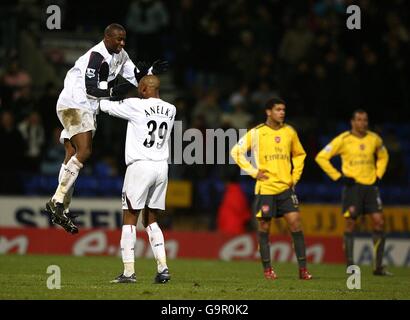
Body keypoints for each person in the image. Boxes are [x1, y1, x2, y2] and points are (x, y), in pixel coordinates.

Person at [45, 23, 168, 234]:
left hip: (88, 107)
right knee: (84, 151)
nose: (122, 43)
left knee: (73, 154)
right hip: (75, 103)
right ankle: (56, 201)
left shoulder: (121, 55)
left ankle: (62, 207)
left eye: (124, 39)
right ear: (107, 38)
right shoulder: (96, 56)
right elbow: (92, 88)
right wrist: (114, 90)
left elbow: (136, 78)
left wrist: (150, 72)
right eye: (118, 39)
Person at [100, 75, 176, 284]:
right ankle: (163, 268)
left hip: (140, 166)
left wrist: (112, 92)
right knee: (151, 220)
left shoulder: (135, 105)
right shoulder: (171, 109)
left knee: (130, 218)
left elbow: (104, 106)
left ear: (143, 89)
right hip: (161, 167)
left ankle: (128, 272)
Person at [231, 97, 313, 280]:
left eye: (283, 109)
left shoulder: (289, 132)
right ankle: (268, 269)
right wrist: (253, 172)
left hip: (285, 187)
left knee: (296, 222)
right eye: (278, 109)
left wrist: (295, 177)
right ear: (268, 112)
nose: (282, 112)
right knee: (264, 226)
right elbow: (236, 151)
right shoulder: (257, 133)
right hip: (266, 188)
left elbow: (300, 155)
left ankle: (303, 270)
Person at [315, 109, 390, 275]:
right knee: (350, 224)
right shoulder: (343, 139)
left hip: (371, 187)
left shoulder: (374, 139)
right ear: (352, 122)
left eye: (365, 120)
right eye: (359, 120)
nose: (362, 123)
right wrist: (338, 177)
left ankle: (378, 267)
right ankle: (350, 265)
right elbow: (321, 157)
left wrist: (379, 173)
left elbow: (384, 155)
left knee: (379, 221)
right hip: (353, 188)